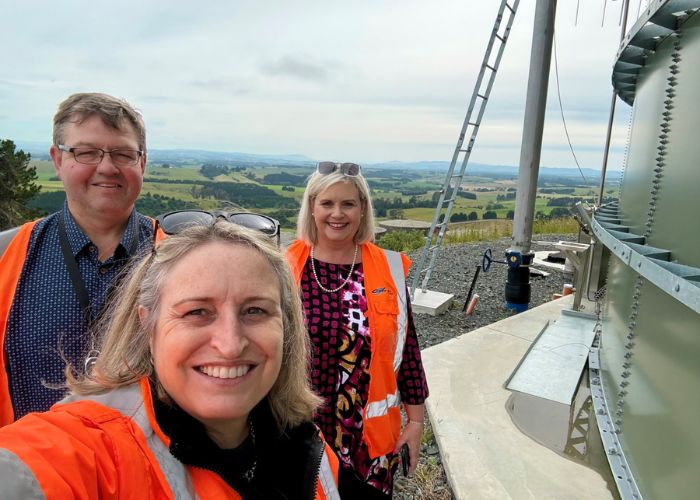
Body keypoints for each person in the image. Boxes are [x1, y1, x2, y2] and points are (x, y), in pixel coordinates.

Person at [0, 221, 340, 499]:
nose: (230, 345)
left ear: (286, 327)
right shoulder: (97, 447)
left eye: (255, 311)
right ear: (147, 326)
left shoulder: (306, 447)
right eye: (197, 312)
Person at [0, 92, 154, 426]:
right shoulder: (6, 256)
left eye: (123, 154)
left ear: (142, 163)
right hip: (31, 457)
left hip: (150, 459)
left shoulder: (176, 256)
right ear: (58, 160)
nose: (107, 167)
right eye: (86, 152)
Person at [286, 161, 429, 498]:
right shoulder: (285, 266)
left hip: (369, 444)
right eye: (327, 203)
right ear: (312, 207)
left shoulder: (389, 268)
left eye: (348, 203)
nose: (337, 214)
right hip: (297, 435)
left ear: (362, 208)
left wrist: (416, 422)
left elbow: (408, 350)